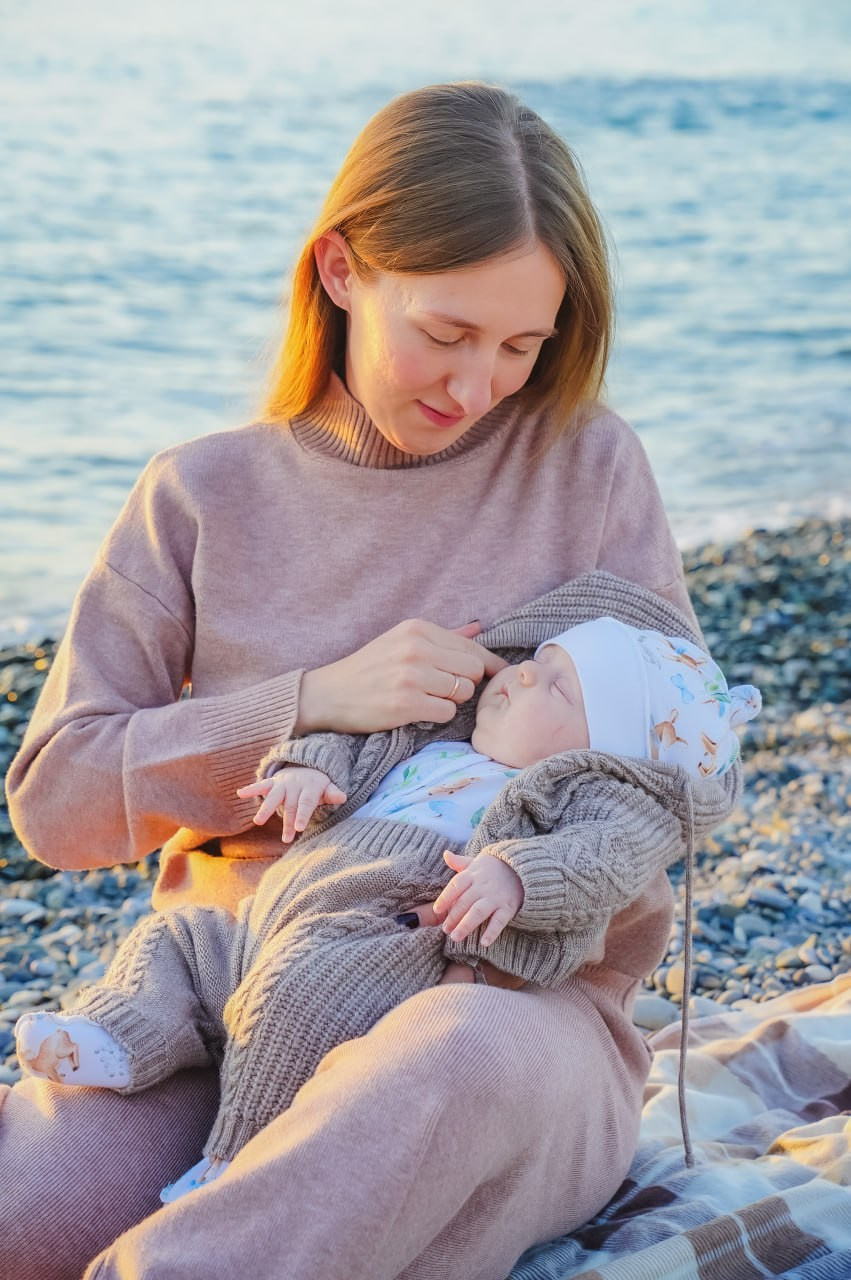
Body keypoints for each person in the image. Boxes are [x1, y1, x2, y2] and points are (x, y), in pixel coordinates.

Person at [2, 81, 743, 1280]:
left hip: (507, 1014)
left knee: (424, 1084)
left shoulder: (588, 468)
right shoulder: (199, 493)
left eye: (521, 345)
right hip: (231, 993)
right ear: (341, 271)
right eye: (446, 334)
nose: (476, 387)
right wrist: (304, 704)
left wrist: (517, 869)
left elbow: (675, 775)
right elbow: (53, 802)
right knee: (24, 1214)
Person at [14, 600, 761, 1201]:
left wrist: (515, 877)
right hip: (268, 915)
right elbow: (352, 745)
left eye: (558, 687)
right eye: (537, 661)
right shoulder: (442, 740)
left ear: (600, 751)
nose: (522, 675)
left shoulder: (564, 797)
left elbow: (604, 856)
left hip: (383, 937)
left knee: (303, 996)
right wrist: (304, 769)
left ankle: (236, 1166)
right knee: (180, 943)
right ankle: (119, 1038)